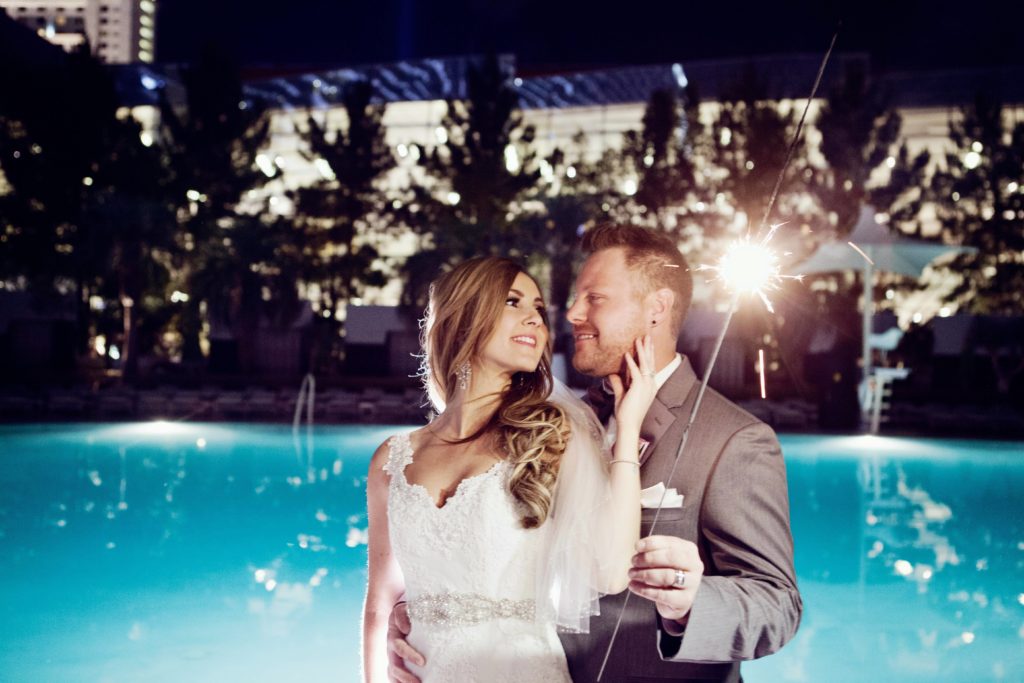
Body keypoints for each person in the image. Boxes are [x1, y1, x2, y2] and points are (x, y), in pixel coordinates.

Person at [387, 226, 802, 682]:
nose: (571, 314)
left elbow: (776, 604)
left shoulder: (734, 439)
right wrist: (426, 616)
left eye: (595, 298)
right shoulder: (550, 423)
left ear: (656, 309)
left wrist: (689, 604)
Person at [362, 256, 658, 683]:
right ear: (463, 318)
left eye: (538, 307)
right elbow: (380, 600)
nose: (535, 319)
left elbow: (611, 572)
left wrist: (627, 429)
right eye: (513, 302)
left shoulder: (552, 434)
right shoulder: (392, 457)